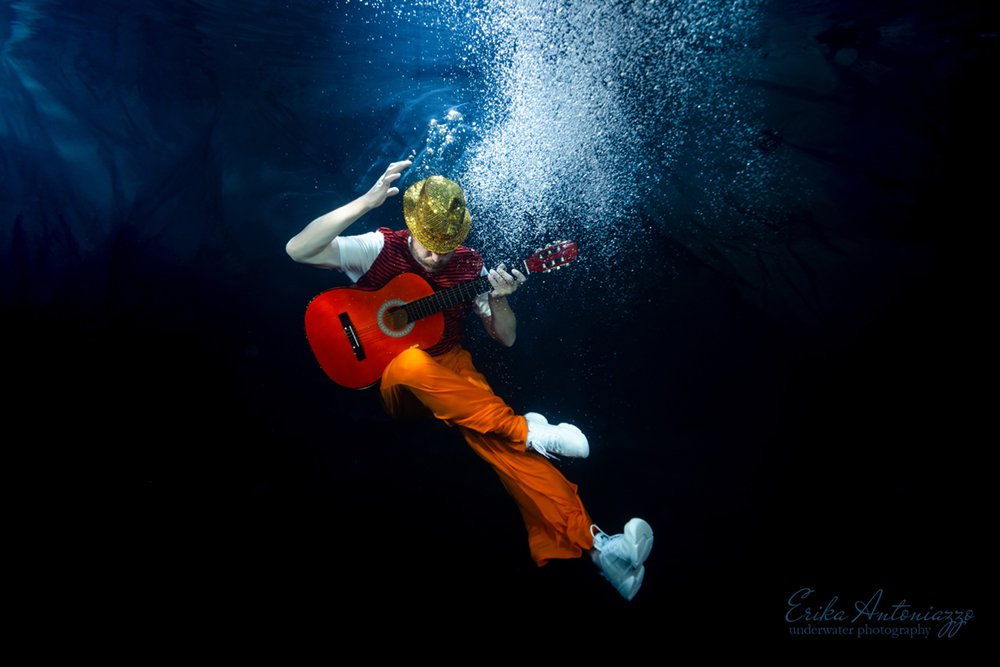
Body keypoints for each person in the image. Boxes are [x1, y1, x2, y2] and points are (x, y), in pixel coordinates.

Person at [285, 159, 653, 600]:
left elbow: (507, 338)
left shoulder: (470, 267)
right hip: (397, 379)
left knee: (502, 447)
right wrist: (365, 202)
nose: (436, 256)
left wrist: (500, 300)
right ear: (412, 228)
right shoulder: (378, 248)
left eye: (446, 247)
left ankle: (601, 549)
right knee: (410, 364)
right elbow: (298, 249)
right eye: (429, 245)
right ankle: (526, 430)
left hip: (451, 367)